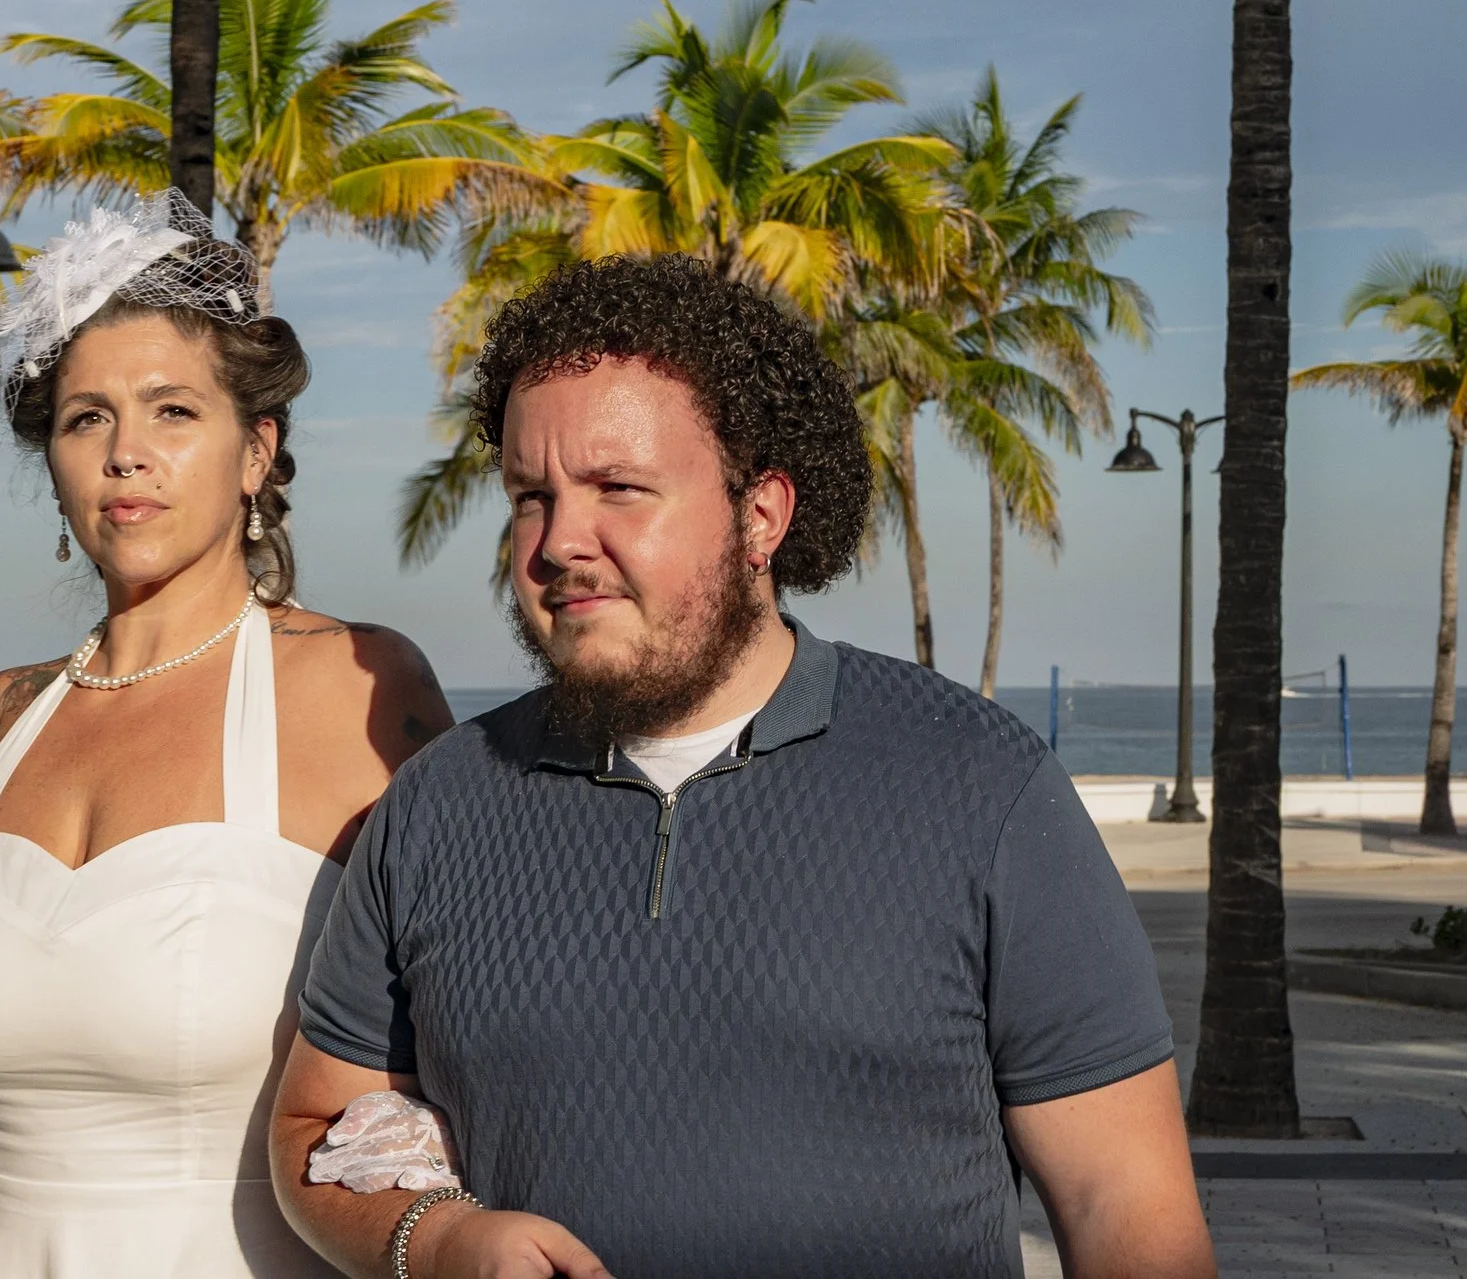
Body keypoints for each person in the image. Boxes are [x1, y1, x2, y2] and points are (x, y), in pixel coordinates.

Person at [270, 256, 1215, 1279]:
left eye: (618, 489)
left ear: (760, 515)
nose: (556, 541)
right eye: (529, 496)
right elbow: (317, 1130)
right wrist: (437, 1239)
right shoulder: (439, 806)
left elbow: (1122, 1201)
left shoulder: (980, 785)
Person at [0, 194, 454, 1278]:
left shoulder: (357, 684)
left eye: (172, 411)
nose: (125, 454)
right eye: (85, 416)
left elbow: (475, 1037)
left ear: (256, 450)